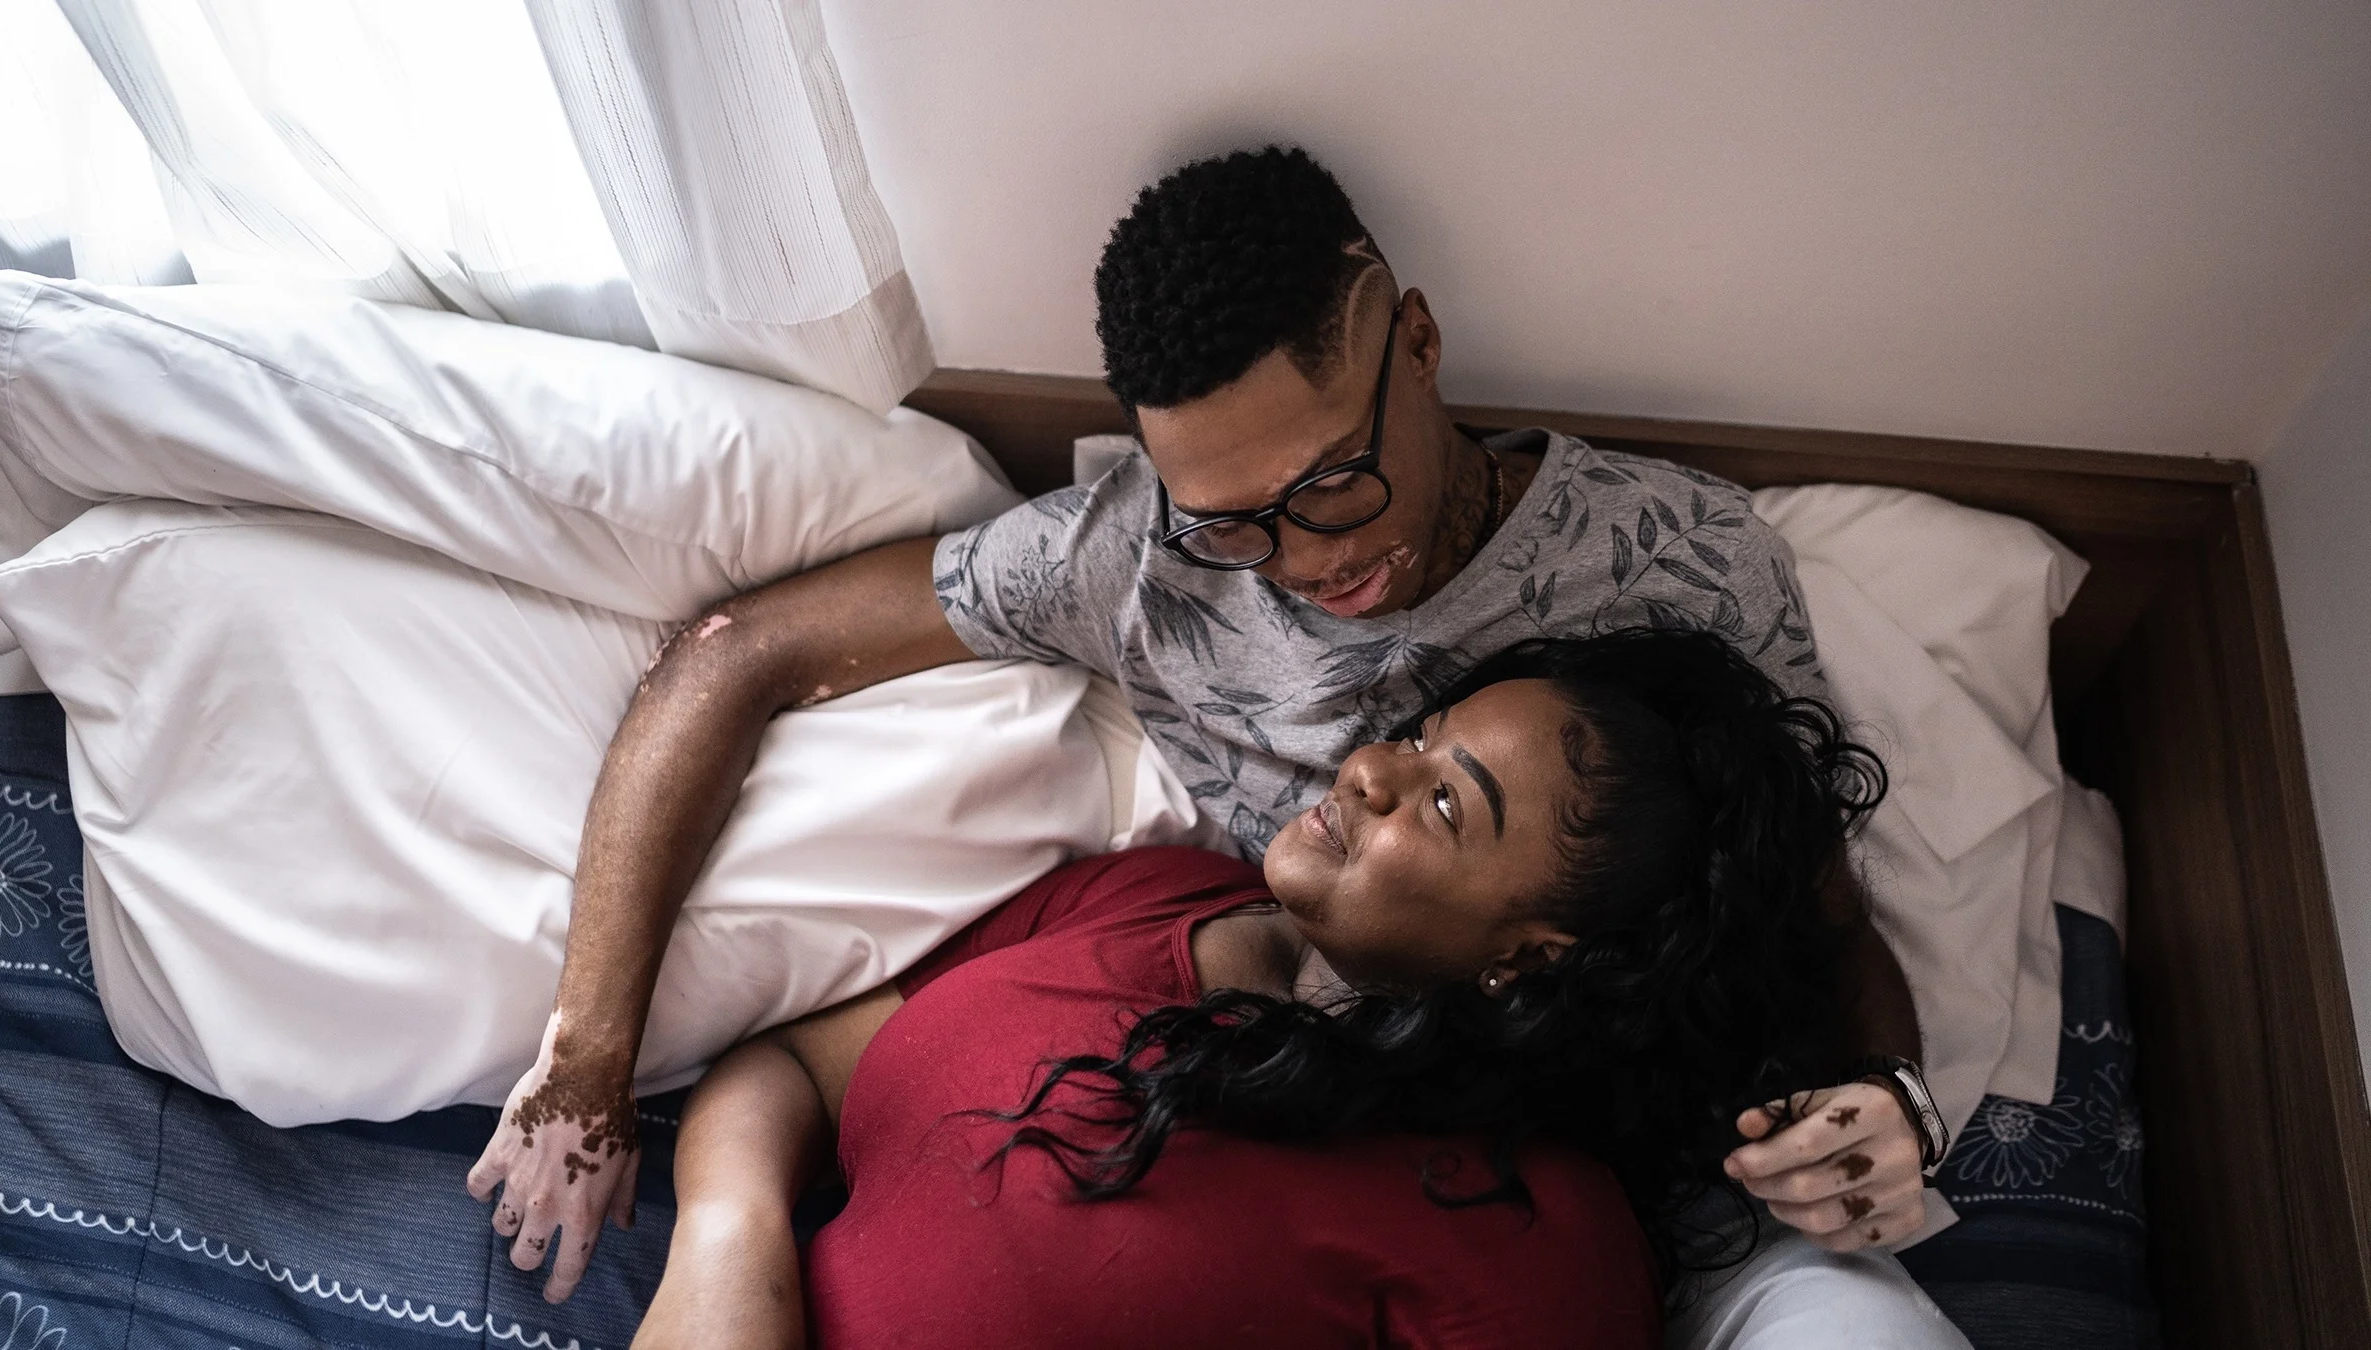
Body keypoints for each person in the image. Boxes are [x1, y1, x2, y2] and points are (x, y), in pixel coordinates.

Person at [468, 147, 1957, 1342]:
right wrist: (588, 1056)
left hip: (1698, 1183)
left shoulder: (1681, 557)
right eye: (1226, 517)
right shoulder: (1133, 564)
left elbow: (1815, 910)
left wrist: (1892, 1093)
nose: (1301, 560)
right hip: (1337, 1082)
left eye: (1331, 485)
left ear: (1417, 343)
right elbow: (742, 652)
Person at [629, 630, 1872, 1349]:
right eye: (1426, 732)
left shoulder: (1536, 1236)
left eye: (1445, 804)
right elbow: (789, 1064)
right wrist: (728, 1237)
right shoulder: (1155, 893)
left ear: (1531, 959)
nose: (1376, 767)